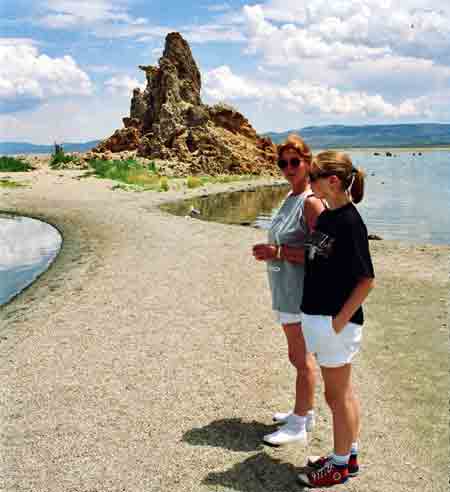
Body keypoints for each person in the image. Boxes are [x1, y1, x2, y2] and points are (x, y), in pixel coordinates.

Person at [297, 151, 375, 488]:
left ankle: (340, 466)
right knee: (340, 393)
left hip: (334, 324)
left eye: (312, 177)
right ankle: (349, 455)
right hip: (320, 318)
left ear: (331, 182)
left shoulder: (350, 222)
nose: (306, 182)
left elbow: (366, 279)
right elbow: (318, 261)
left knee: (336, 396)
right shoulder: (328, 217)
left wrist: (339, 322)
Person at [252, 134, 324, 446]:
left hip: (300, 293)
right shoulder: (290, 197)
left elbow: (324, 252)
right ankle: (304, 413)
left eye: (295, 162)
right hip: (284, 289)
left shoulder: (311, 202)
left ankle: (298, 425)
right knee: (297, 355)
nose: (289, 167)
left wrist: (277, 253)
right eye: (283, 163)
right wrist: (271, 251)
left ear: (308, 163)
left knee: (300, 357)